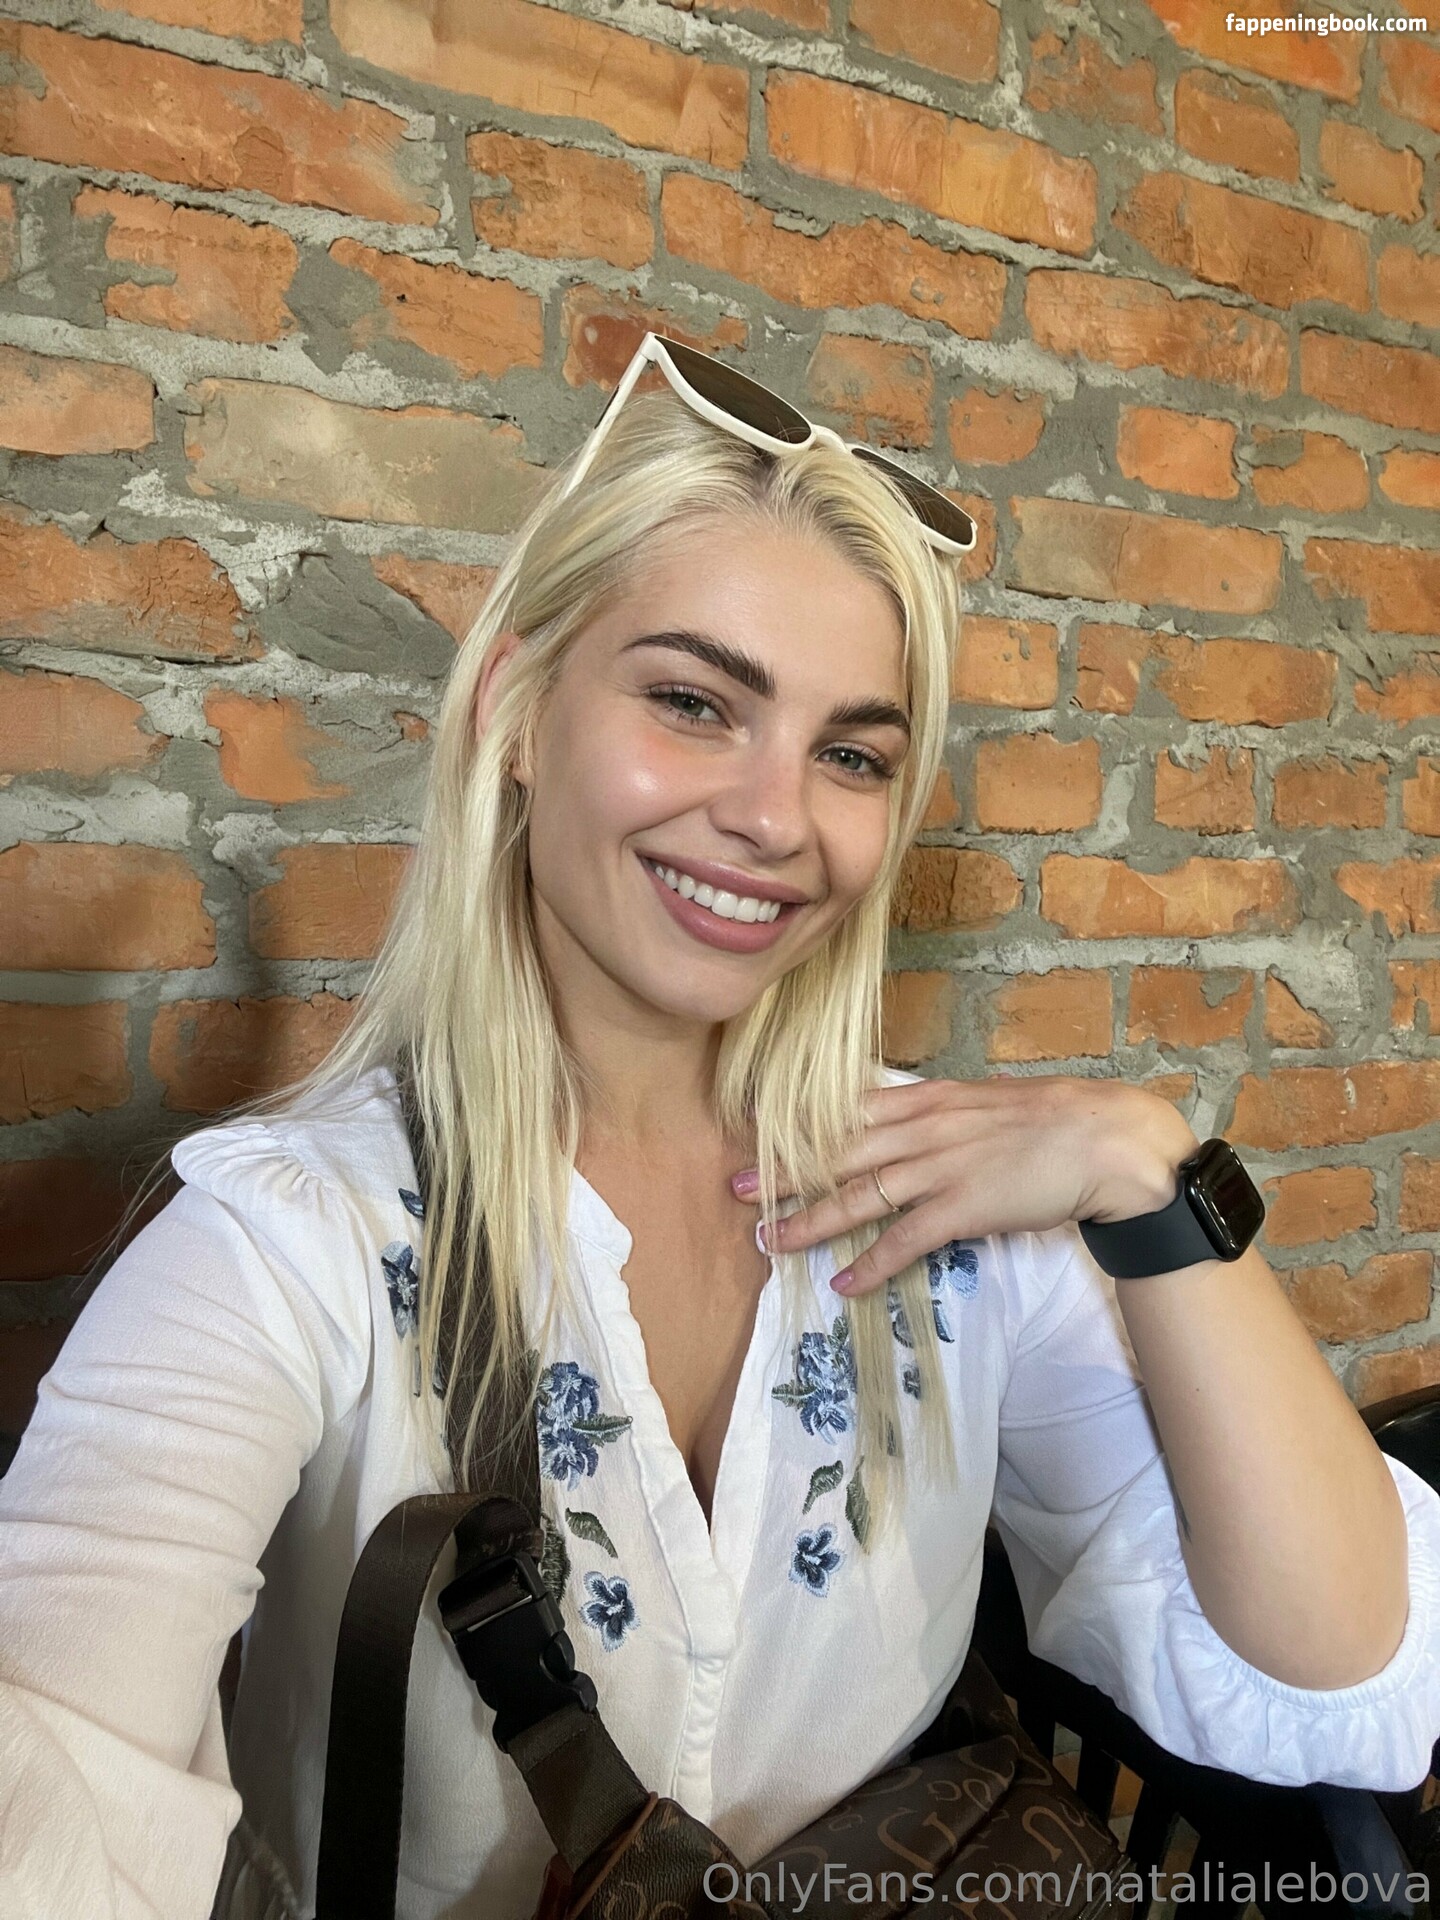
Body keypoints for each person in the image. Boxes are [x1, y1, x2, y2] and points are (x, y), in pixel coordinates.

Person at [1, 333, 1438, 1920]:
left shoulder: (945, 1198)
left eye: (851, 754)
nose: (774, 816)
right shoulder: (296, 1238)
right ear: (515, 708)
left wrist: (1144, 1165)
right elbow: (55, 1764)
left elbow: (1335, 1661)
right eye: (694, 703)